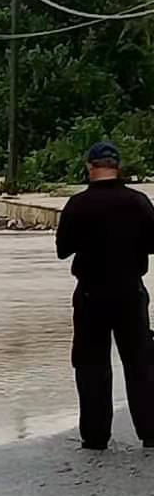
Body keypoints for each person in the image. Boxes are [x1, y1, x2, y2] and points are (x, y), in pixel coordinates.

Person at [56, 140, 154, 450]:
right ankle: (150, 432)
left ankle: (96, 436)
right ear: (118, 166)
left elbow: (63, 249)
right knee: (140, 363)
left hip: (90, 294)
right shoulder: (138, 202)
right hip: (130, 291)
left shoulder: (77, 205)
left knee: (91, 364)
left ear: (89, 167)